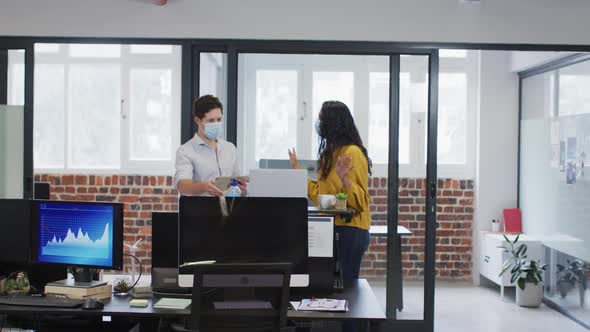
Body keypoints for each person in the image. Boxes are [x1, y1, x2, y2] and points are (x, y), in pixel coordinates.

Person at [289, 100, 372, 284]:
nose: (319, 124)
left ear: (333, 123)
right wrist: (297, 172)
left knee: (347, 286)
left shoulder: (353, 153)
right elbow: (322, 197)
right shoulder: (329, 154)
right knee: (329, 284)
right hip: (330, 227)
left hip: (350, 229)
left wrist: (345, 179)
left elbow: (361, 202)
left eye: (321, 119)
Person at [174, 95, 247, 196]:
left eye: (219, 119)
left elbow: (237, 183)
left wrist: (243, 188)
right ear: (197, 120)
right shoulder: (185, 151)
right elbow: (182, 186)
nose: (216, 124)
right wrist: (204, 186)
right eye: (211, 121)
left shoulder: (230, 148)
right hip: (201, 209)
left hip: (229, 208)